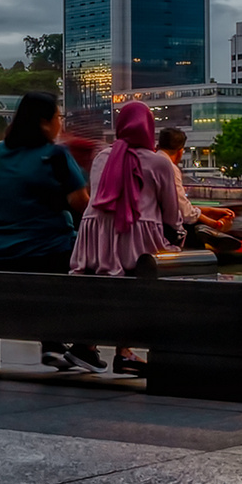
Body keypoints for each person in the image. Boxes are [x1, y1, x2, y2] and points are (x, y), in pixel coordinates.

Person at [0, 91, 93, 372]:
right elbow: (82, 204)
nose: (60, 124)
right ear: (45, 122)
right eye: (58, 117)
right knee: (95, 264)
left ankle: (53, 343)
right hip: (45, 253)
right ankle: (84, 346)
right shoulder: (55, 155)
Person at [71, 101, 185, 377]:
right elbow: (171, 213)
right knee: (164, 267)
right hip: (136, 240)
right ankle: (124, 352)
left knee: (110, 281)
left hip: (96, 243)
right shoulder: (160, 162)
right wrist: (179, 235)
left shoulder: (102, 157)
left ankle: (87, 344)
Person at [155, 127, 236, 250]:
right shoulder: (168, 167)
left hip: (149, 224)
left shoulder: (151, 161)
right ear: (180, 151)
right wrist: (215, 224)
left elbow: (177, 206)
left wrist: (210, 211)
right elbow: (183, 211)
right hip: (163, 230)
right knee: (197, 234)